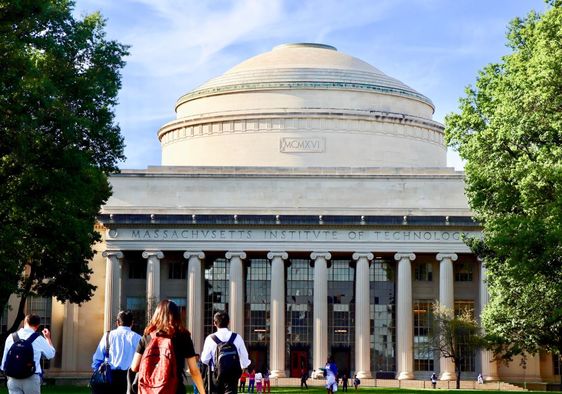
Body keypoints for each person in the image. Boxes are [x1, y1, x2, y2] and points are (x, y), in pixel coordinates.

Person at [130, 299, 205, 394]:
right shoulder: (183, 336)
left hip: (150, 390)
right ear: (177, 316)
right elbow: (193, 370)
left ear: (157, 315)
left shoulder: (147, 336)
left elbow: (134, 367)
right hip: (175, 389)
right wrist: (202, 391)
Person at [1, 314, 56, 394]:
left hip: (13, 377)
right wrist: (47, 338)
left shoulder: (11, 337)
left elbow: (4, 361)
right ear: (37, 326)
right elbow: (51, 354)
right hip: (31, 377)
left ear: (24, 322)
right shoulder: (39, 338)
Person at [92, 310, 141, 394]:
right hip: (130, 378)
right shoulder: (138, 338)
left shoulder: (108, 336)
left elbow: (97, 359)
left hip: (109, 376)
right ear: (132, 323)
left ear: (117, 322)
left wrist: (98, 373)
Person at [201, 311, 251, 394]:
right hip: (232, 376)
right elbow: (245, 358)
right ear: (229, 322)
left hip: (216, 375)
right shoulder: (237, 337)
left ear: (215, 323)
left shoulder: (210, 338)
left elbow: (204, 359)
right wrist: (243, 367)